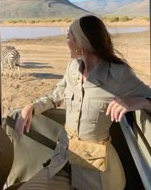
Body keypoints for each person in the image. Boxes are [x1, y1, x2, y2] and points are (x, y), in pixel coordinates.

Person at [15, 15, 151, 190]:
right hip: (63, 160)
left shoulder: (118, 73)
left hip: (96, 169)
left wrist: (139, 101)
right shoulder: (72, 67)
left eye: (68, 36)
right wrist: (31, 107)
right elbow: (57, 94)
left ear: (82, 41)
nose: (67, 41)